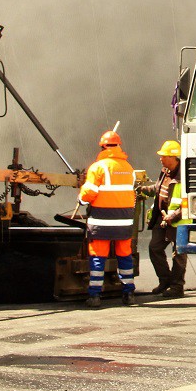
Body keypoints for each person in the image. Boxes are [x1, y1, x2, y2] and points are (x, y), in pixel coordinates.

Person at [79, 130, 139, 308]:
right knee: (125, 256)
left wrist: (81, 199)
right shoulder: (129, 168)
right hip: (124, 221)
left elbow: (89, 192)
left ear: (102, 146)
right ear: (119, 146)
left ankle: (95, 296)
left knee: (98, 258)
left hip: (101, 221)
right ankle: (129, 293)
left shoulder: (98, 167)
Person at [146, 139, 189, 298]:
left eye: (164, 156)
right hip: (162, 219)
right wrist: (142, 190)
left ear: (173, 157)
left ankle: (177, 287)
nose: (161, 158)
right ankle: (165, 281)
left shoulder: (185, 175)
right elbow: (157, 190)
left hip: (178, 222)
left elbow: (190, 202)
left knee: (178, 254)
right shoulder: (165, 171)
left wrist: (173, 215)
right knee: (154, 248)